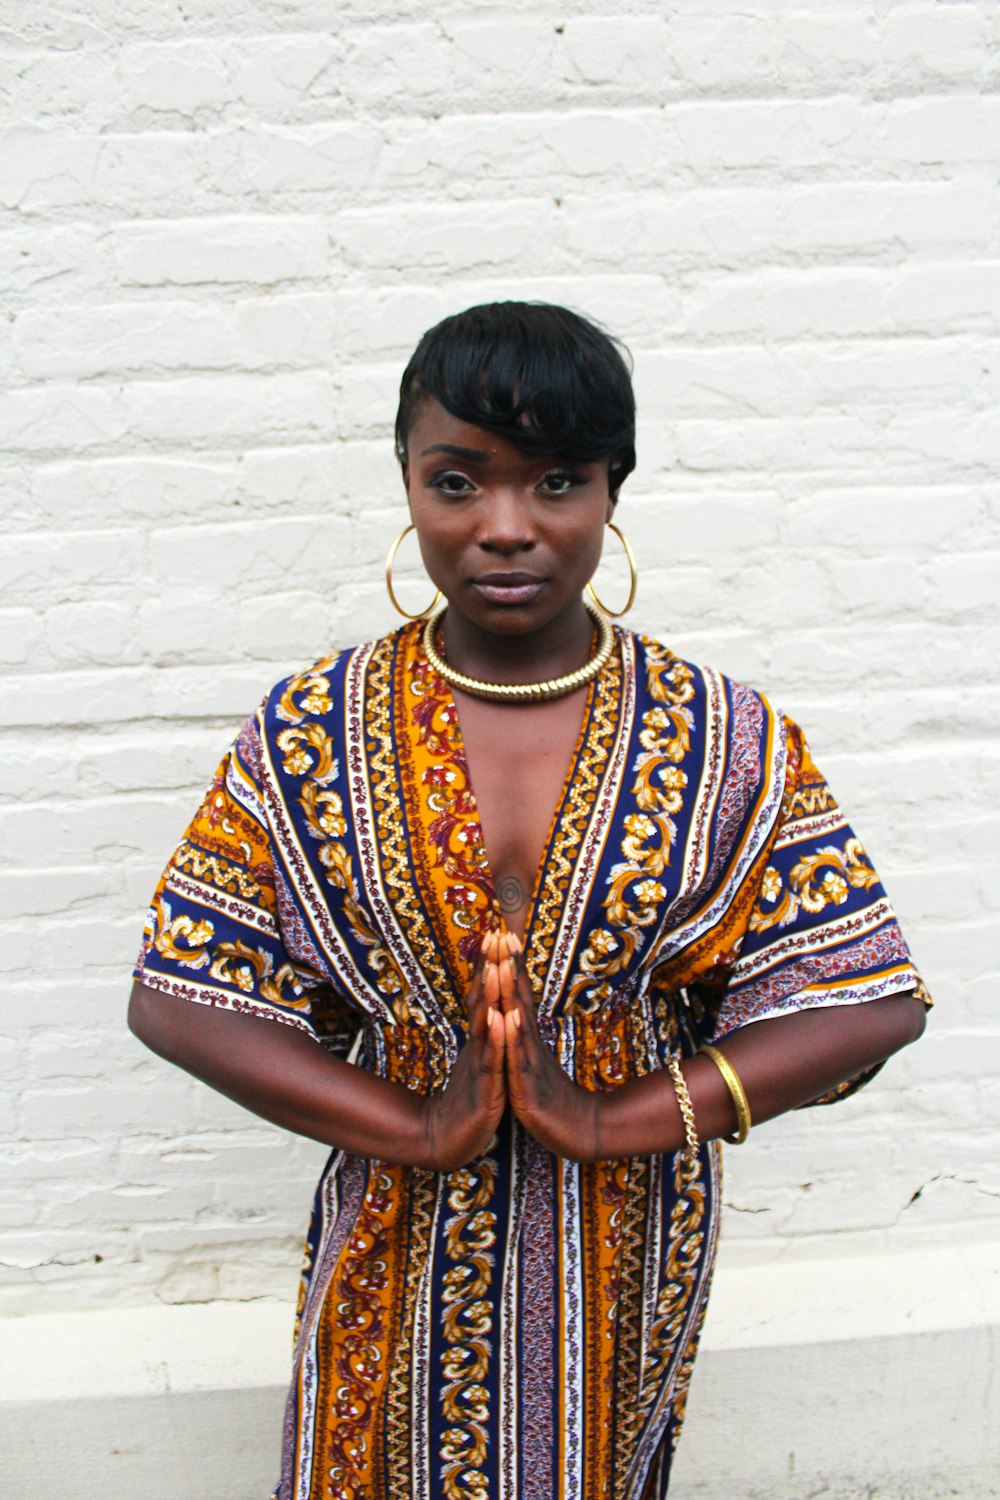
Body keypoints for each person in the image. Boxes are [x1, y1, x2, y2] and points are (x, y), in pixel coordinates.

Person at [129, 301, 929, 1500]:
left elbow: (863, 995)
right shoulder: (312, 729)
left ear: (616, 486)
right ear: (405, 480)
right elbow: (181, 997)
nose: (506, 528)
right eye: (458, 481)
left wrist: (619, 1117)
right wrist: (416, 1126)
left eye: (556, 480)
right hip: (391, 1225)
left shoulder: (720, 735)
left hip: (623, 1236)